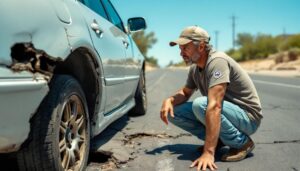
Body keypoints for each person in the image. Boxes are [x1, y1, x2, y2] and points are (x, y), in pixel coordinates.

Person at [160, 26, 262, 171]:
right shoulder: (195, 68)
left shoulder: (217, 61)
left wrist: (208, 153)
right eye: (180, 49)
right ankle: (219, 140)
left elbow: (214, 106)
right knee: (174, 111)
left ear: (201, 46)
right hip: (227, 115)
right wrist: (169, 100)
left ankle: (242, 143)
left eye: (185, 48)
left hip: (248, 117)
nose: (181, 53)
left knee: (201, 104)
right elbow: (185, 92)